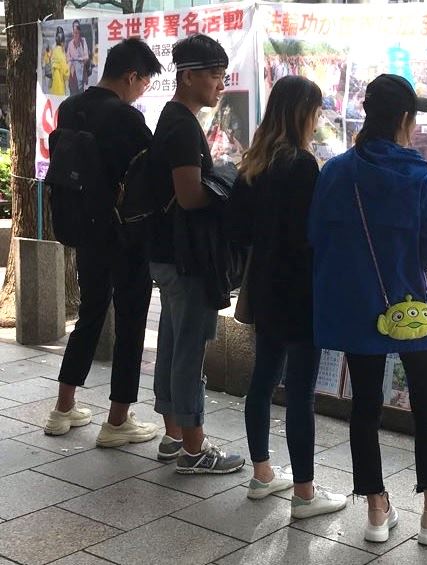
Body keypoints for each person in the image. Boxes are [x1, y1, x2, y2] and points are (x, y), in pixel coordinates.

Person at [309, 74, 427, 546]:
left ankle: (376, 509)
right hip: (412, 307)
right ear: (405, 119)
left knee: (364, 407)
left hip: (358, 308)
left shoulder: (336, 172)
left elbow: (317, 237)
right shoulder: (419, 176)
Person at [228, 75, 347, 518]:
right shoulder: (302, 165)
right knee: (300, 392)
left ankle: (262, 474)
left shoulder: (253, 164)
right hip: (301, 291)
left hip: (263, 288)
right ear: (302, 113)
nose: (317, 121)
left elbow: (238, 230)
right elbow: (313, 234)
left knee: (262, 381)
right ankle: (304, 493)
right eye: (315, 112)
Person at [44, 38, 163, 447]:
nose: (142, 91)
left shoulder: (69, 107)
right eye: (144, 83)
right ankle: (117, 421)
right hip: (125, 235)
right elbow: (151, 171)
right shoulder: (126, 118)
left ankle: (63, 409)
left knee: (90, 314)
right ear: (131, 76)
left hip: (84, 230)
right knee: (131, 322)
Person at [148, 34, 245, 474]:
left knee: (172, 343)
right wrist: (228, 184)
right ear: (187, 77)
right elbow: (189, 196)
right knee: (188, 350)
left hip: (168, 253)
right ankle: (194, 449)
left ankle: (173, 436)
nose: (220, 85)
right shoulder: (184, 125)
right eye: (214, 76)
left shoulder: (171, 117)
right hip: (186, 258)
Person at [67, 20, 89, 95]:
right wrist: (71, 63)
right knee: (72, 96)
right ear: (72, 31)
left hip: (81, 75)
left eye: (77, 31)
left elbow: (86, 57)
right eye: (74, 31)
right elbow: (68, 59)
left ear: (79, 31)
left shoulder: (83, 41)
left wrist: (78, 60)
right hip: (72, 76)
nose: (76, 33)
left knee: (81, 96)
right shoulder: (70, 44)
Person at [49, 27, 69, 96]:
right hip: (60, 85)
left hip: (54, 84)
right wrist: (68, 64)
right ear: (62, 42)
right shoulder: (61, 53)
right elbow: (65, 72)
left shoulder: (54, 51)